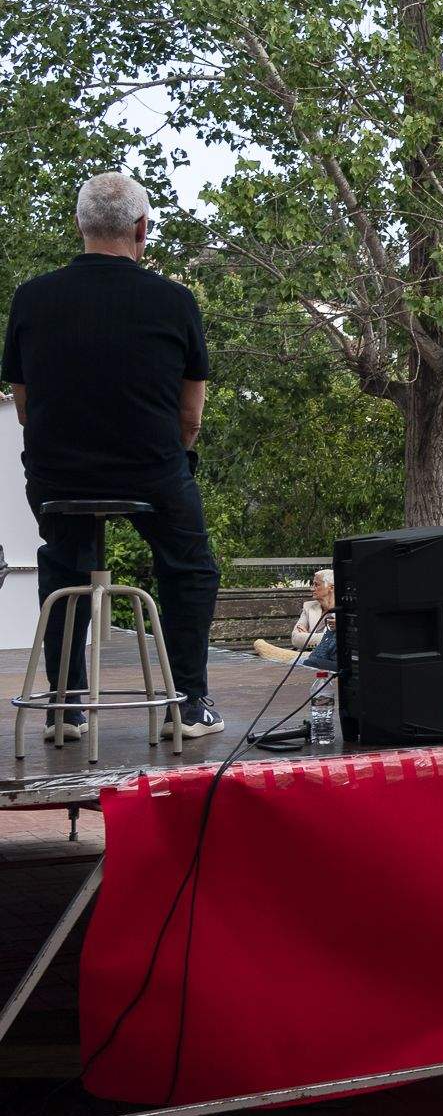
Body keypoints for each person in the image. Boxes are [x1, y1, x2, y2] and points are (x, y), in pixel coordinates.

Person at [6, 173, 224, 738]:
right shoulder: (174, 300)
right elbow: (190, 417)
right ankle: (189, 703)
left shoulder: (31, 298)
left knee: (62, 561)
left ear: (79, 226)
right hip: (151, 470)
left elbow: (24, 406)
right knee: (190, 567)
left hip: (58, 475)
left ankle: (67, 707)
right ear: (141, 229)